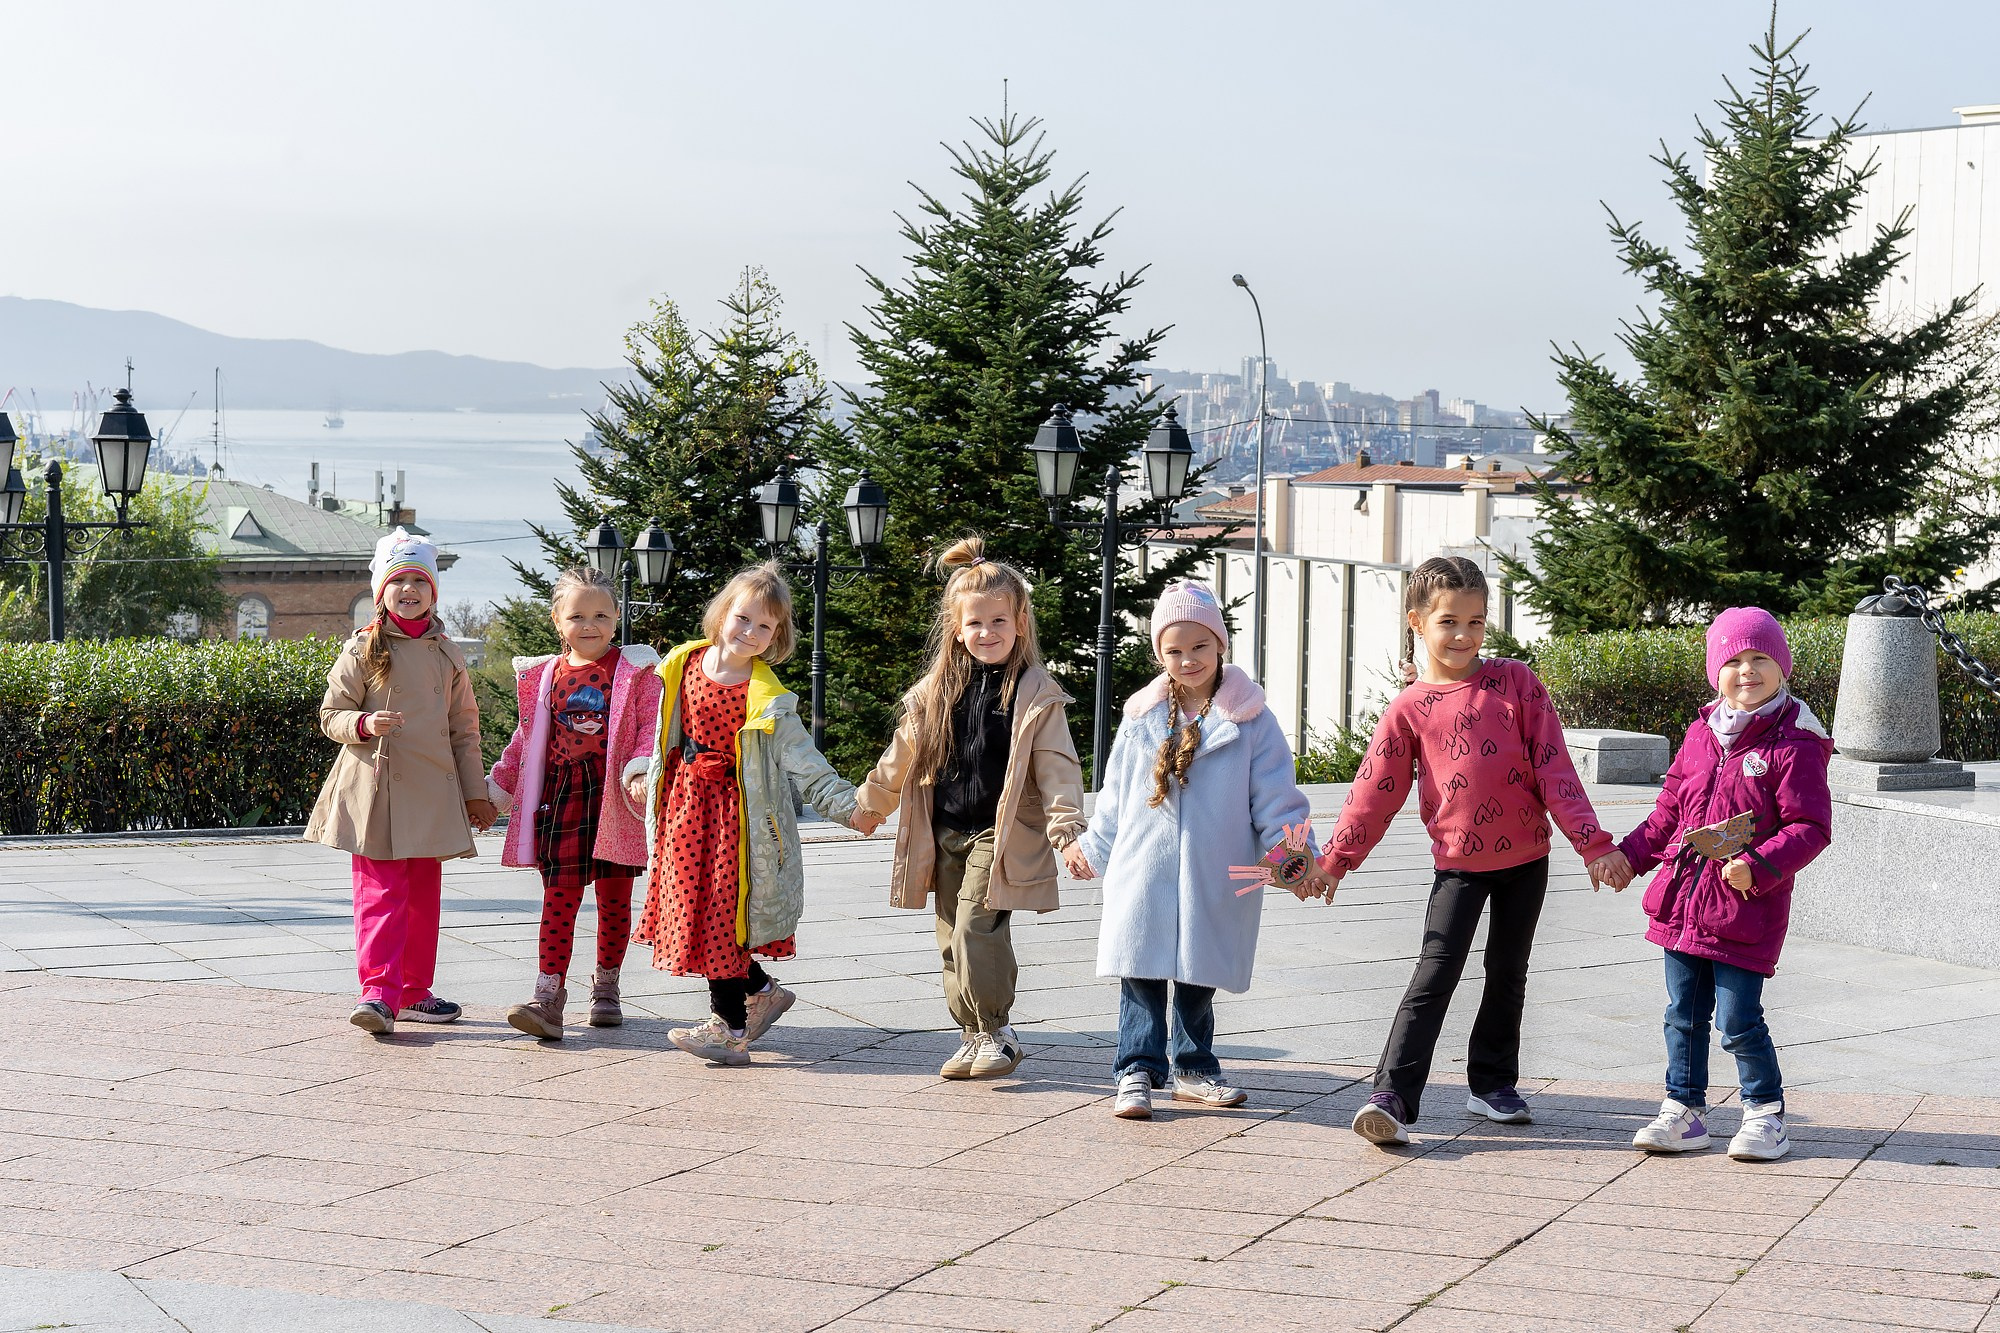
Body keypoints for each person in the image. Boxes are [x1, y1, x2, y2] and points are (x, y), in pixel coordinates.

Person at [1319, 555, 1622, 1144]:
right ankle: (1391, 1097)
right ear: (1416, 621)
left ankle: (1493, 1085)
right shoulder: (1407, 709)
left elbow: (1554, 767)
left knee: (1507, 973)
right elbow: (1373, 792)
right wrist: (1336, 861)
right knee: (1434, 974)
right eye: (1449, 622)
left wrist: (1593, 845)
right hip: (1457, 865)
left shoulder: (1515, 683)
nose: (1463, 635)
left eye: (1476, 622)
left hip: (1526, 861)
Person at [1067, 581, 1323, 1120]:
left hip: (1213, 870)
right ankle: (1135, 1069)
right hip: (1144, 867)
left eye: (1199, 647)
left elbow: (1277, 798)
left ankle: (1194, 1067)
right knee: (1139, 971)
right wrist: (1094, 846)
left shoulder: (1251, 721)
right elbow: (1115, 795)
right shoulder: (1142, 718)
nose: (1188, 660)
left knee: (1197, 978)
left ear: (1220, 646)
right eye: (1175, 650)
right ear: (1160, 653)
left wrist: (1293, 855)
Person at [1595, 607, 1832, 1163]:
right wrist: (1626, 858)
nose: (1746, 671)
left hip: (1745, 908)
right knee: (1682, 1013)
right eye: (1733, 661)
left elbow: (1811, 827)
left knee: (1738, 1019)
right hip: (1683, 904)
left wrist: (1761, 865)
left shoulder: (1793, 743)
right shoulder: (1702, 733)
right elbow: (1668, 812)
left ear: (1782, 668)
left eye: (1760, 659)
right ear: (1714, 671)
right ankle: (1685, 1111)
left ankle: (1764, 1114)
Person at [853, 537, 1087, 1080]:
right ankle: (970, 1033)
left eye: (999, 622)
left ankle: (997, 1032)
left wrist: (1067, 830)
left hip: (997, 833)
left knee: (975, 929)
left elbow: (1058, 766)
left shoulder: (1034, 692)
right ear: (957, 628)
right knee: (949, 938)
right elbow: (900, 757)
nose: (988, 633)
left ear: (1019, 623)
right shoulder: (936, 690)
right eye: (976, 624)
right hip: (944, 831)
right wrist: (871, 806)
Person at [625, 563, 861, 1065]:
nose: (750, 633)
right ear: (722, 614)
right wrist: (642, 771)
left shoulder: (770, 700)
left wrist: (850, 807)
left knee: (722, 920)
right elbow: (655, 729)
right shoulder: (681, 665)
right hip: (685, 811)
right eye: (743, 619)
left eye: (765, 626)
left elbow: (806, 764)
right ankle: (762, 993)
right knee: (696, 912)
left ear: (778, 634)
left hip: (739, 822)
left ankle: (729, 1028)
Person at [306, 528, 496, 1035]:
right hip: (376, 791)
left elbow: (464, 730)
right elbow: (331, 715)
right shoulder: (363, 649)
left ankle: (413, 991)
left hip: (432, 794)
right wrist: (365, 724)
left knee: (422, 899)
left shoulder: (448, 655)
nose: (409, 589)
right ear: (380, 592)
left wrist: (476, 794)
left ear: (434, 592)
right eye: (399, 580)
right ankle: (378, 993)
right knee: (381, 896)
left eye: (420, 580)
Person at [488, 566, 663, 1039]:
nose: (590, 625)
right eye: (578, 615)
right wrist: (499, 787)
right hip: (560, 796)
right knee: (559, 896)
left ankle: (606, 986)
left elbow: (651, 725)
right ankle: (548, 995)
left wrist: (641, 768)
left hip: (613, 797)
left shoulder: (637, 673)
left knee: (613, 897)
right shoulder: (543, 676)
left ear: (617, 617)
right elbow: (525, 740)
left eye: (602, 614)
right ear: (557, 621)